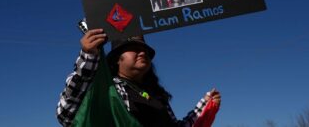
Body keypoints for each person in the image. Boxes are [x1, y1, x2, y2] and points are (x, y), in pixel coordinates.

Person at [56, 29, 221, 127]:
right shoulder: (106, 91)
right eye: (133, 48)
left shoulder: (157, 96)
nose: (142, 52)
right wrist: (89, 55)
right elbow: (67, 113)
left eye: (145, 50)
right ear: (116, 59)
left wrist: (205, 105)